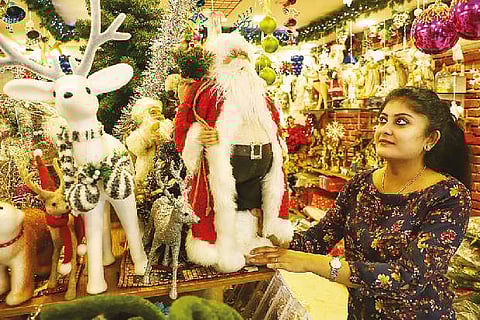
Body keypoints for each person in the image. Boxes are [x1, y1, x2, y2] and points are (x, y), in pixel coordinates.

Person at [249, 87, 472, 319]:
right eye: (383, 120)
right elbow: (315, 242)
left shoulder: (448, 196)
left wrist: (311, 263)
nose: (386, 129)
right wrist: (268, 227)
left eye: (402, 122)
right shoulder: (361, 184)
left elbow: (408, 277)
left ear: (430, 138)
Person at [175, 32, 293, 273]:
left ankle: (249, 242)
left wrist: (280, 148)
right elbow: (184, 123)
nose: (240, 61)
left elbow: (275, 126)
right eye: (233, 55)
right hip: (226, 166)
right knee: (227, 204)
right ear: (219, 62)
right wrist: (198, 137)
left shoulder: (261, 96)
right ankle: (226, 249)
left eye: (243, 55)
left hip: (260, 169)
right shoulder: (206, 93)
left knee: (251, 205)